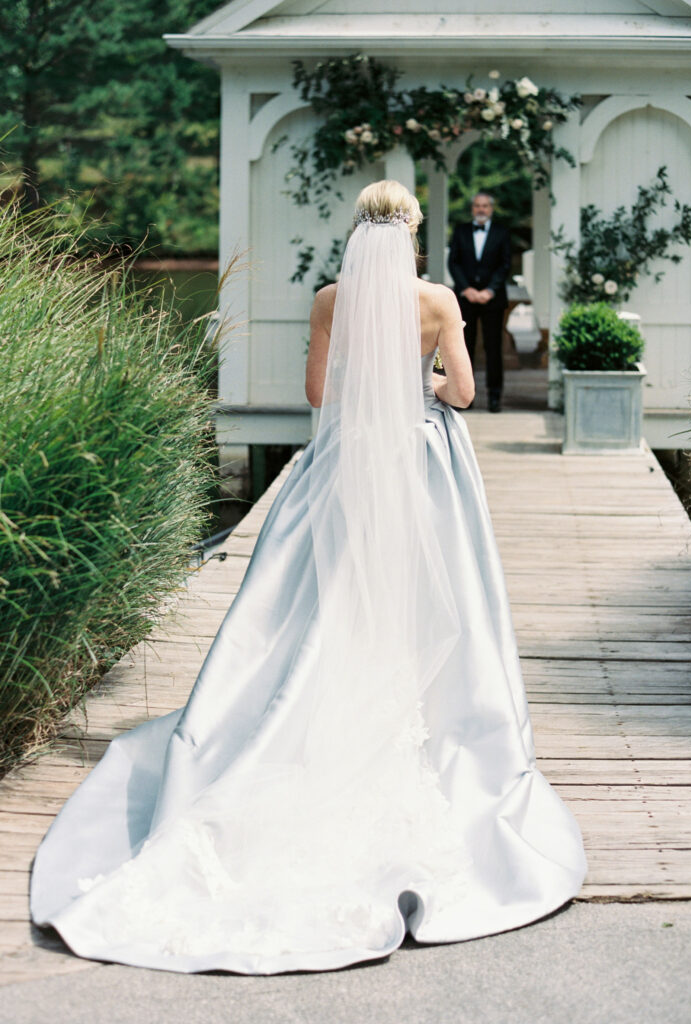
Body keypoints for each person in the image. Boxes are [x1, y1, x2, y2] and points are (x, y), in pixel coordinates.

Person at [29, 180, 586, 975]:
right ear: (413, 233)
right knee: (434, 598)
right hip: (422, 461)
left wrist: (373, 387)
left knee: (321, 599)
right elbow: (463, 393)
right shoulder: (435, 301)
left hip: (349, 458)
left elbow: (320, 394)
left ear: (358, 231)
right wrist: (419, 384)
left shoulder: (331, 298)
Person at [447, 191, 512, 413]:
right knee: (464, 348)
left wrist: (490, 290)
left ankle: (495, 397)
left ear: (491, 209)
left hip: (492, 300)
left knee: (494, 349)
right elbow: (453, 262)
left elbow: (505, 265)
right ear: (472, 209)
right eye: (477, 206)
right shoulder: (460, 231)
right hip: (466, 299)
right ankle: (466, 396)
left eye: (485, 206)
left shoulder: (502, 233)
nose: (481, 209)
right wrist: (466, 289)